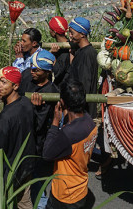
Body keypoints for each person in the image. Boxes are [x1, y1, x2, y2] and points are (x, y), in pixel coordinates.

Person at [0, 66, 37, 209]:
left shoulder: (6, 117)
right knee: (24, 201)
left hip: (13, 168)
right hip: (27, 162)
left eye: (4, 82)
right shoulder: (26, 103)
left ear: (15, 86)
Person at [42, 80, 97, 209]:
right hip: (81, 189)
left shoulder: (68, 134)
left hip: (64, 195)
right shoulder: (90, 123)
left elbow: (47, 154)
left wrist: (55, 121)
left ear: (62, 102)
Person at [18, 50, 58, 209]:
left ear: (47, 72)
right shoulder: (29, 77)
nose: (32, 72)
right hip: (22, 133)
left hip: (36, 140)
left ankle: (40, 203)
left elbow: (39, 125)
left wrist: (33, 109)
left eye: (37, 70)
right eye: (32, 68)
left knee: (34, 175)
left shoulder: (51, 92)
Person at [65, 17, 99, 117]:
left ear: (82, 34)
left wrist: (76, 107)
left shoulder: (87, 54)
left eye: (72, 33)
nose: (70, 36)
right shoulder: (82, 51)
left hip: (82, 111)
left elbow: (84, 84)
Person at [48, 16, 72, 86]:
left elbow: (57, 72)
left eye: (50, 29)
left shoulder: (64, 52)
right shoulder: (69, 45)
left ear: (54, 32)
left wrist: (52, 56)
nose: (49, 31)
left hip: (63, 87)